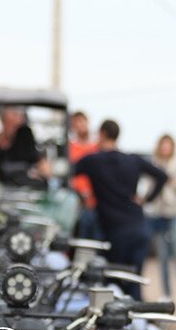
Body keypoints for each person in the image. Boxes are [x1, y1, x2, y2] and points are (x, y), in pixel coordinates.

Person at [75, 119, 168, 300]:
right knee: (134, 281)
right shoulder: (133, 160)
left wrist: (82, 196)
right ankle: (139, 323)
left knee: (114, 285)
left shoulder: (93, 161)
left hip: (115, 231)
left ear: (101, 134)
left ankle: (126, 325)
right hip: (139, 227)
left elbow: (67, 173)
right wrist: (146, 199)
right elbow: (162, 176)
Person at [143, 134, 176, 307]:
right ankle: (166, 294)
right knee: (162, 256)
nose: (165, 148)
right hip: (158, 214)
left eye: (168, 145)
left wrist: (171, 182)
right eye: (162, 145)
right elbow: (148, 188)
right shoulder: (154, 164)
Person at [69, 111, 100, 240]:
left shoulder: (97, 147)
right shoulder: (70, 147)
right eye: (77, 122)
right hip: (76, 200)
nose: (81, 125)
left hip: (95, 201)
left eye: (83, 121)